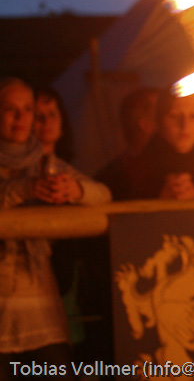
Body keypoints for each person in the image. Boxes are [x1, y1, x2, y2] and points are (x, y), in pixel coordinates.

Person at [0, 77, 111, 377]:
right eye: (10, 109)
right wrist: (26, 189)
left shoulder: (46, 163)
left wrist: (74, 189)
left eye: (27, 109)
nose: (21, 118)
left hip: (40, 309)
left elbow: (103, 195)